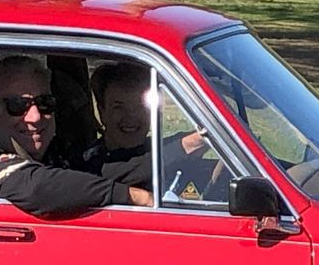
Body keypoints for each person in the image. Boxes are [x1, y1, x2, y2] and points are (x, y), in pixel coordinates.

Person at [0, 54, 151, 219]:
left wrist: (176, 149)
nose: (36, 116)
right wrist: (135, 197)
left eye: (45, 103)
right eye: (17, 105)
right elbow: (36, 188)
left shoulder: (56, 152)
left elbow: (102, 170)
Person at [80, 61, 219, 200]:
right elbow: (135, 168)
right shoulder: (92, 163)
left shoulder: (152, 147)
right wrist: (194, 142)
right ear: (102, 111)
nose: (131, 116)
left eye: (140, 106)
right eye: (119, 107)